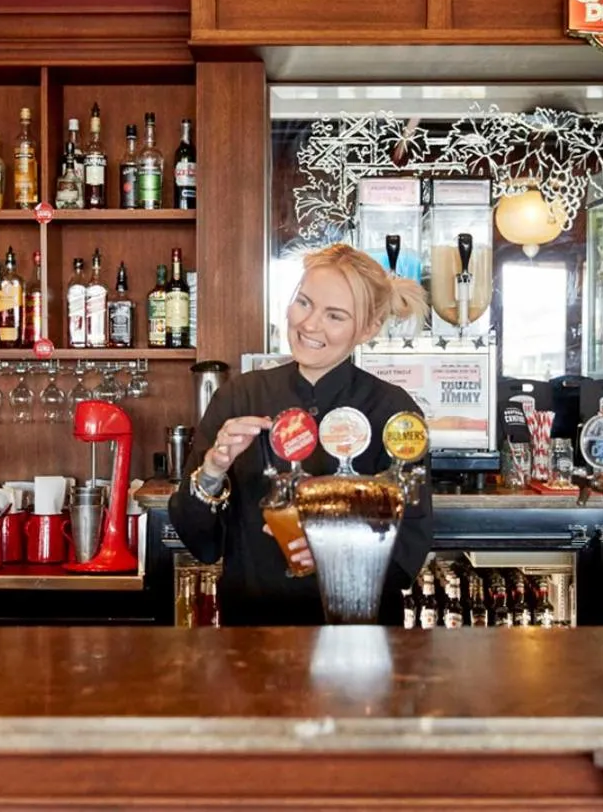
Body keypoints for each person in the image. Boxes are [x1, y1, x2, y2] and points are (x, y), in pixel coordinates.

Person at [168, 243, 433, 625]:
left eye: (335, 316)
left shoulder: (391, 410)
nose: (309, 325)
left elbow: (411, 541)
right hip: (252, 632)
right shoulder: (241, 396)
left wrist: (336, 549)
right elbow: (201, 542)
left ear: (368, 329)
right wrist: (211, 470)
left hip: (357, 640)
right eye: (304, 303)